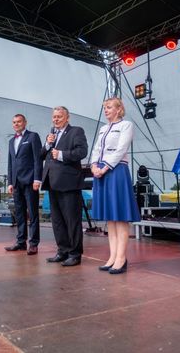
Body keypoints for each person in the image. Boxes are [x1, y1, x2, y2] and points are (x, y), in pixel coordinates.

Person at [90, 97, 140, 275]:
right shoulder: (103, 129)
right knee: (110, 218)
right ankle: (112, 256)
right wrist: (93, 166)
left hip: (116, 171)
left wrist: (104, 168)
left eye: (109, 107)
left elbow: (121, 149)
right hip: (101, 171)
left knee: (120, 216)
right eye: (105, 107)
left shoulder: (126, 125)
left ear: (119, 109)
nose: (106, 110)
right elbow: (96, 149)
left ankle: (121, 258)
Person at [41, 106, 88, 266]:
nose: (56, 119)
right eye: (54, 117)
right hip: (52, 182)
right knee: (57, 221)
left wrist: (62, 155)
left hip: (69, 183)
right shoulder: (51, 135)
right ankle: (63, 251)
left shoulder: (76, 131)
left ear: (67, 117)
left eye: (59, 116)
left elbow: (82, 152)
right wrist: (47, 144)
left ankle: (75, 254)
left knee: (72, 220)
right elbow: (41, 155)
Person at [4, 114, 43, 255]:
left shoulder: (33, 137)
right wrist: (10, 182)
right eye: (14, 122)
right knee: (20, 213)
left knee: (32, 213)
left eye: (19, 121)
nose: (16, 124)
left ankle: (33, 243)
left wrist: (37, 179)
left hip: (30, 181)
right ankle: (21, 242)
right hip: (16, 183)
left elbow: (38, 159)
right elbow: (10, 163)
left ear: (25, 122)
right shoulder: (11, 141)